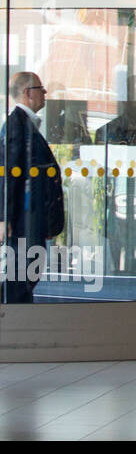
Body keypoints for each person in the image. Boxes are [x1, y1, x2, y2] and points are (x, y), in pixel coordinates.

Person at [1, 73, 64, 303]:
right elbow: (9, 175)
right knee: (19, 284)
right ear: (28, 93)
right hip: (22, 225)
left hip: (28, 222)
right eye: (41, 89)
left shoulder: (24, 125)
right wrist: (4, 218)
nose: (45, 93)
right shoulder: (17, 126)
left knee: (23, 281)